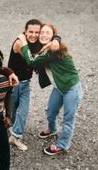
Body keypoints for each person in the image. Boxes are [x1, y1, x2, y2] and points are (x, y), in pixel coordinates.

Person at [15, 24, 83, 155]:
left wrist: (23, 43)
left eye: (48, 33)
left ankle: (62, 145)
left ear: (53, 35)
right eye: (42, 33)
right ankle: (52, 130)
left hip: (71, 89)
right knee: (50, 112)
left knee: (68, 119)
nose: (43, 35)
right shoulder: (45, 48)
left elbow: (32, 62)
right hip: (59, 87)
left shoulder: (53, 48)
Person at [8, 19, 60, 151]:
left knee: (23, 111)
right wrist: (25, 41)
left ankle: (15, 136)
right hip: (12, 83)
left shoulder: (35, 42)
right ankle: (10, 127)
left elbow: (51, 37)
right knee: (12, 110)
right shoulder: (20, 43)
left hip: (25, 83)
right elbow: (31, 61)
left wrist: (57, 39)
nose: (34, 35)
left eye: (37, 32)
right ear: (25, 31)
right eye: (30, 31)